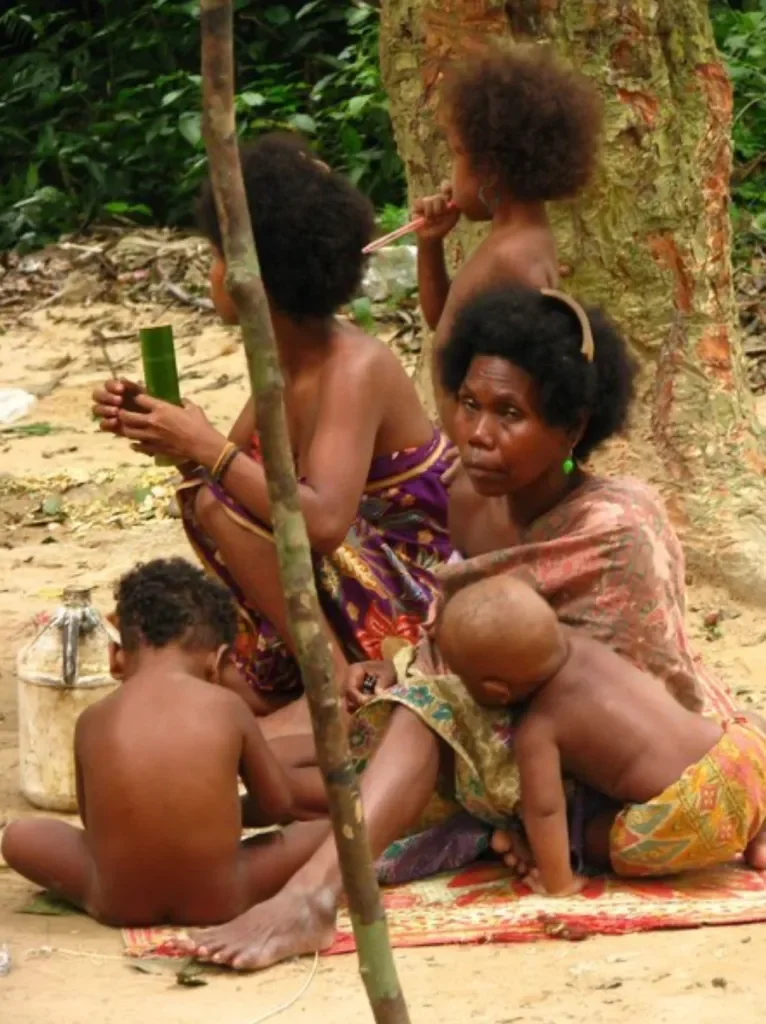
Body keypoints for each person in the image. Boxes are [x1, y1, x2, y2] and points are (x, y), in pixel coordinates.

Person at [176, 285, 760, 972]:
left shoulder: (619, 527)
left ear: (572, 429)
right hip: (497, 726)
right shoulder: (468, 496)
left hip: (608, 763)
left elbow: (637, 683)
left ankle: (315, 897)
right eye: (470, 404)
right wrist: (407, 671)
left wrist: (443, 698)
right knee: (351, 744)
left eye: (510, 414)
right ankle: (206, 822)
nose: (477, 433)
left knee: (417, 724)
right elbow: (455, 637)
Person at [90, 132, 455, 729]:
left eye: (215, 257)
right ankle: (309, 673)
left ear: (254, 278)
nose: (209, 274)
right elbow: (234, 468)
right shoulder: (282, 362)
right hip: (349, 578)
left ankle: (332, 674)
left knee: (214, 503)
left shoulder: (352, 366)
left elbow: (324, 520)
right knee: (200, 632)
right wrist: (162, 426)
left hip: (418, 595)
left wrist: (204, 445)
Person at [1, 558, 328, 926]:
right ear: (217, 661)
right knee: (327, 835)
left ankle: (107, 894)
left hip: (119, 903)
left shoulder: (92, 721)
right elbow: (279, 802)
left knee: (20, 836)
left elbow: (94, 825)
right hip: (222, 899)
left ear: (115, 658)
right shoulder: (228, 708)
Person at [437, 574, 766, 895]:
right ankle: (760, 838)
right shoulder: (584, 642)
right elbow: (526, 586)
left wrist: (557, 881)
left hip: (689, 817)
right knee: (750, 724)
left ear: (496, 691)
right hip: (744, 763)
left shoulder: (538, 729)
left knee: (585, 834)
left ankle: (565, 871)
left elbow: (545, 810)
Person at [412, 46, 602, 433]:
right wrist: (430, 245)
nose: (451, 170)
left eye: (457, 155)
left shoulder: (514, 258)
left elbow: (516, 385)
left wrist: (475, 451)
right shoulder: (510, 240)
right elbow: (444, 321)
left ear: (492, 170)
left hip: (483, 457)